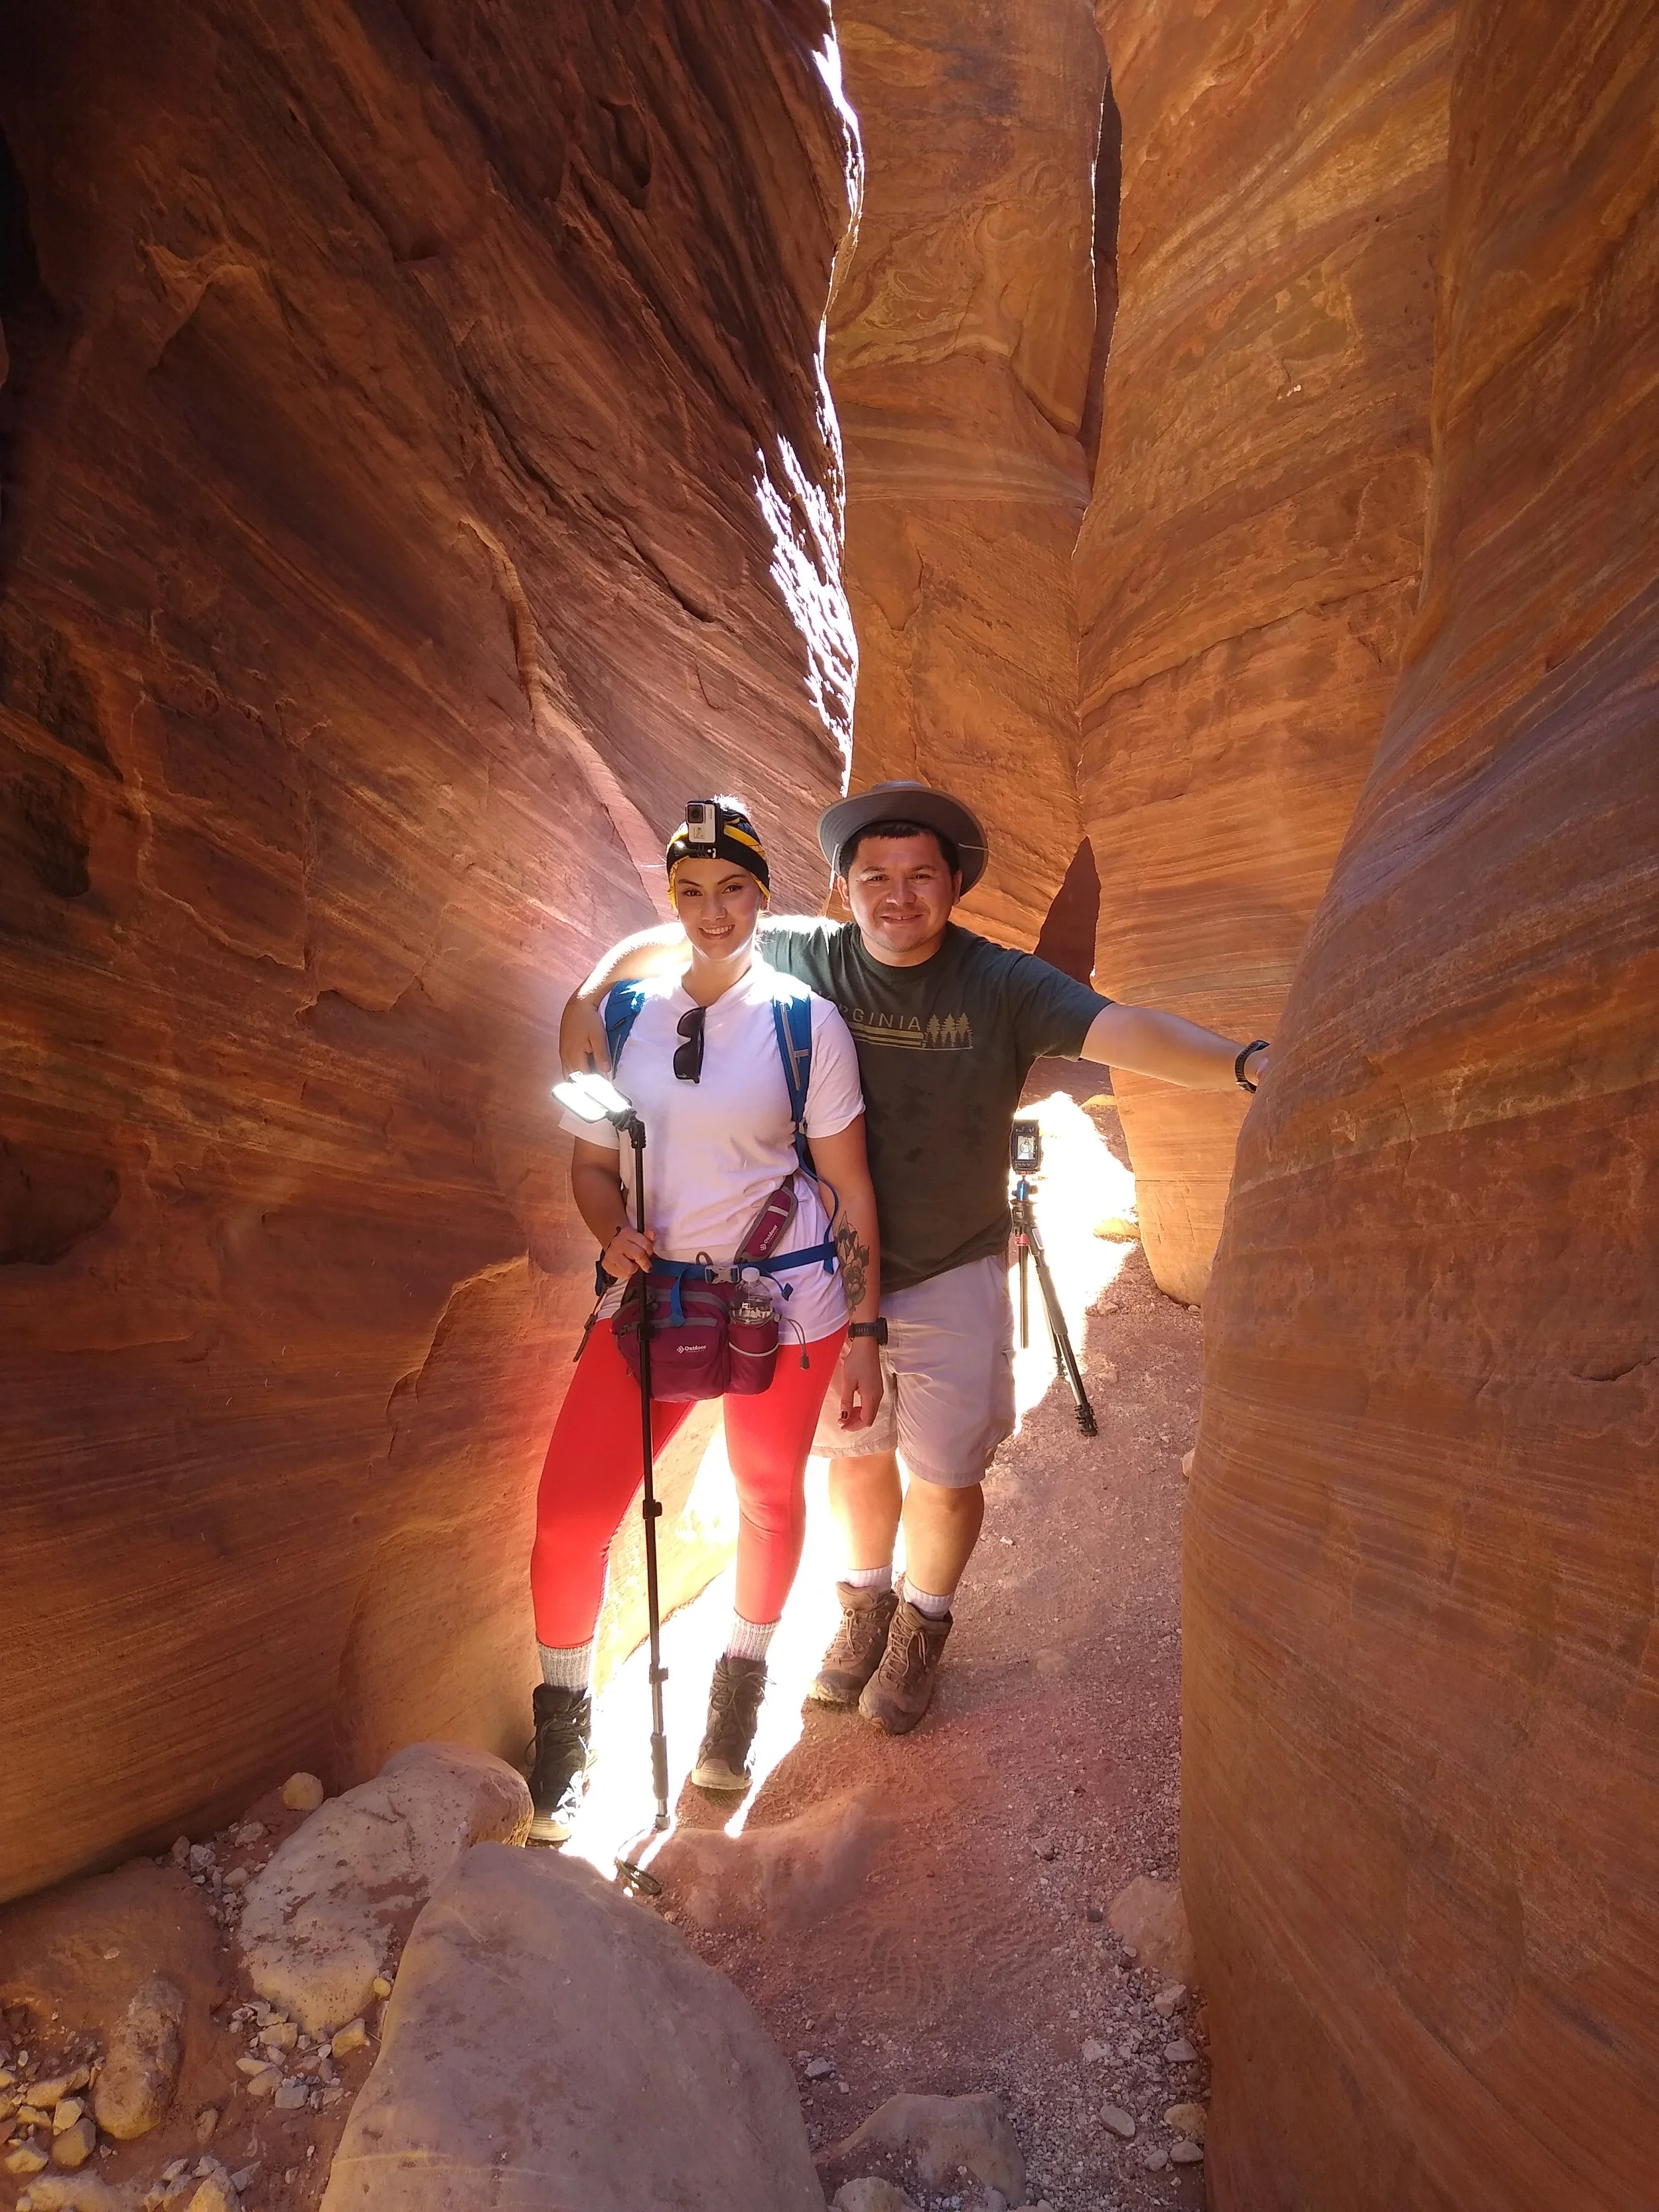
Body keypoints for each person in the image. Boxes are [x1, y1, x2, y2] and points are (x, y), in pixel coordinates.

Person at [561, 780, 1269, 1738]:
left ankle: (923, 1621)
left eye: (920, 877)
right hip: (826, 1276)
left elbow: (1122, 1030)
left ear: (955, 886)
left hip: (950, 1266)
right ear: (843, 889)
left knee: (944, 1471)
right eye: (875, 878)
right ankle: (864, 1608)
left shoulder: (1004, 985)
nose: (898, 897)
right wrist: (582, 999)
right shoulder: (808, 951)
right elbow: (671, 937)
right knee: (854, 1457)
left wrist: (1241, 1062)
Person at [528, 799, 883, 1844]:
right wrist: (611, 1236)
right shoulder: (626, 1017)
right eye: (692, 893)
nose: (714, 911)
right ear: (670, 900)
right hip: (657, 1299)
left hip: (788, 1298)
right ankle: (564, 1736)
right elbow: (594, 1167)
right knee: (566, 1520)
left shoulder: (802, 1022)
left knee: (768, 1495)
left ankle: (735, 1699)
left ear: (762, 898)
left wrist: (863, 1330)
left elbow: (850, 1187)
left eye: (734, 892)